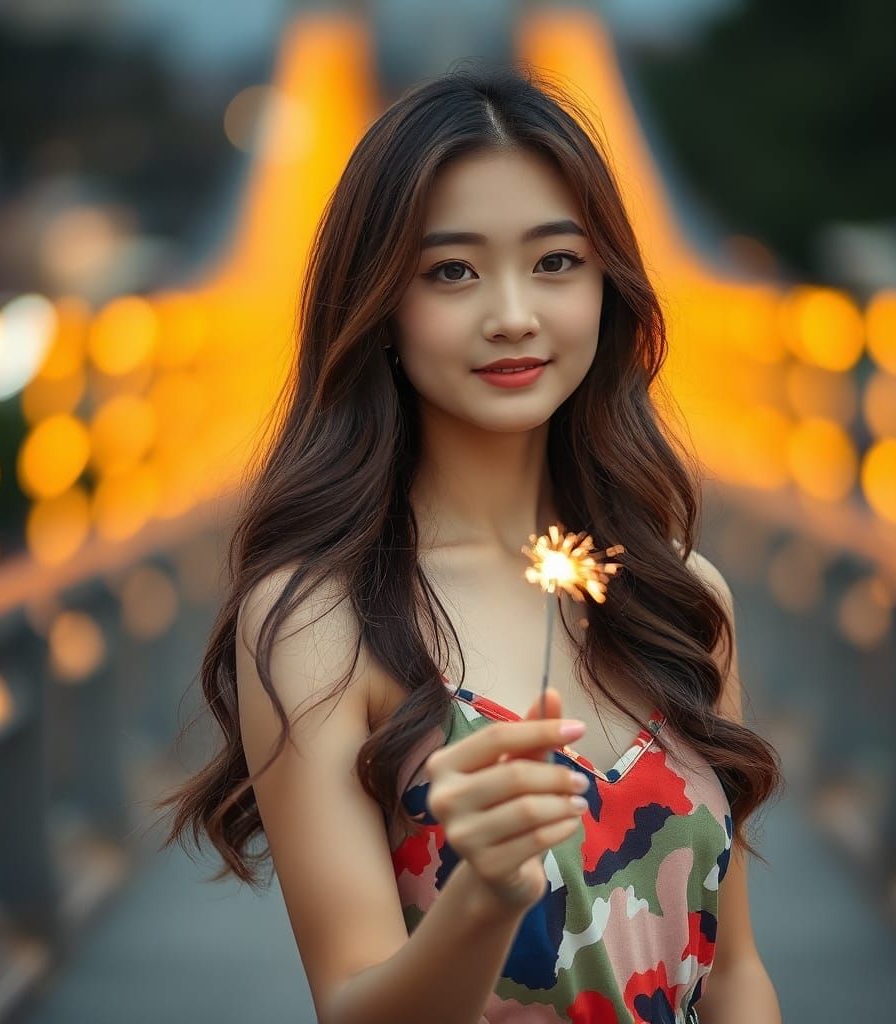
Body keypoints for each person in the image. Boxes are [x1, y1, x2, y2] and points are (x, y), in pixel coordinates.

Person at [160, 62, 784, 1023]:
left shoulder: (682, 597)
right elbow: (352, 1006)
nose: (513, 315)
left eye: (556, 262)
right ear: (378, 307)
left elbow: (735, 971)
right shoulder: (318, 620)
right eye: (451, 271)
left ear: (608, 288)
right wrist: (484, 900)